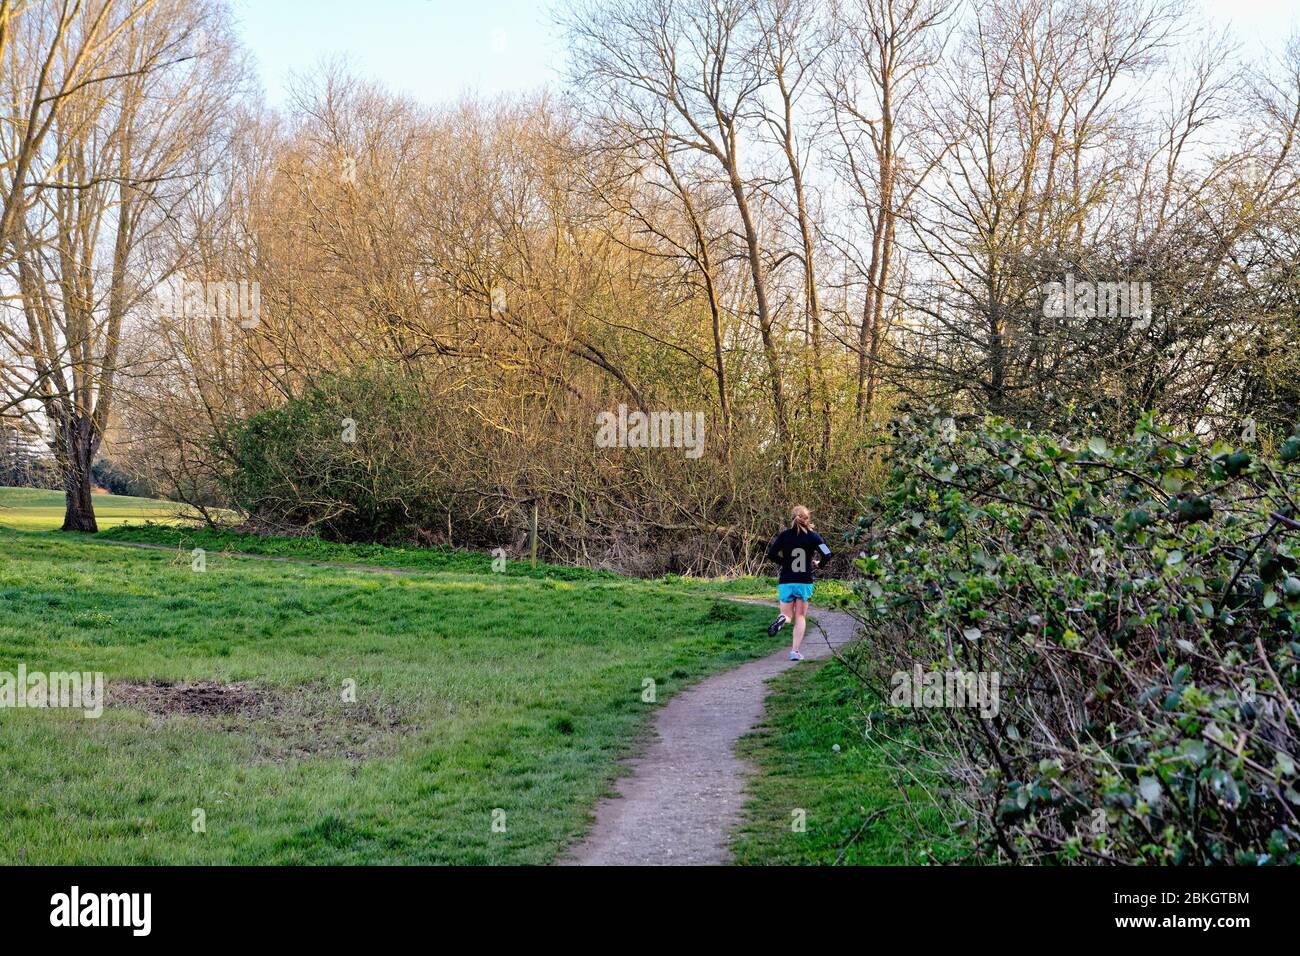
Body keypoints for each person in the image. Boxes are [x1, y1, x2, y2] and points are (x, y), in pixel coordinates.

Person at [765, 505, 831, 661]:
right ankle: (795, 652)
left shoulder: (784, 536)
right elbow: (827, 554)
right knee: (800, 616)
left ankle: (782, 619)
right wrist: (819, 564)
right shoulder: (814, 537)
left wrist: (785, 563)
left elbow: (771, 554)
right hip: (803, 581)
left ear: (792, 518)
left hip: (786, 580)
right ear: (807, 519)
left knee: (787, 614)